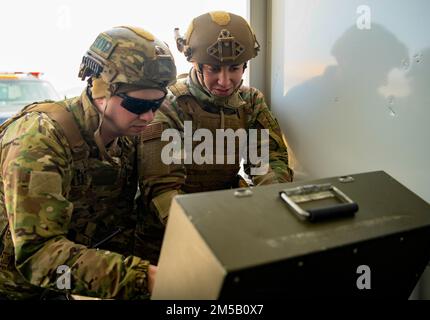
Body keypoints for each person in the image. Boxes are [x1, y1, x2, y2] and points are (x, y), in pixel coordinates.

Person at [0, 26, 176, 299]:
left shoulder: (126, 138)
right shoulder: (39, 139)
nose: (148, 117)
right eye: (137, 106)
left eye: (157, 105)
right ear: (100, 89)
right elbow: (37, 255)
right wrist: (144, 278)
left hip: (70, 285)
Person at [137, 11, 293, 264]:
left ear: (245, 65)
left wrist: (276, 208)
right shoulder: (170, 104)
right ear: (196, 65)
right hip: (167, 235)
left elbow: (267, 163)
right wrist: (208, 236)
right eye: (213, 69)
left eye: (234, 69)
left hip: (226, 215)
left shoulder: (250, 102)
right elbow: (162, 190)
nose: (225, 81)